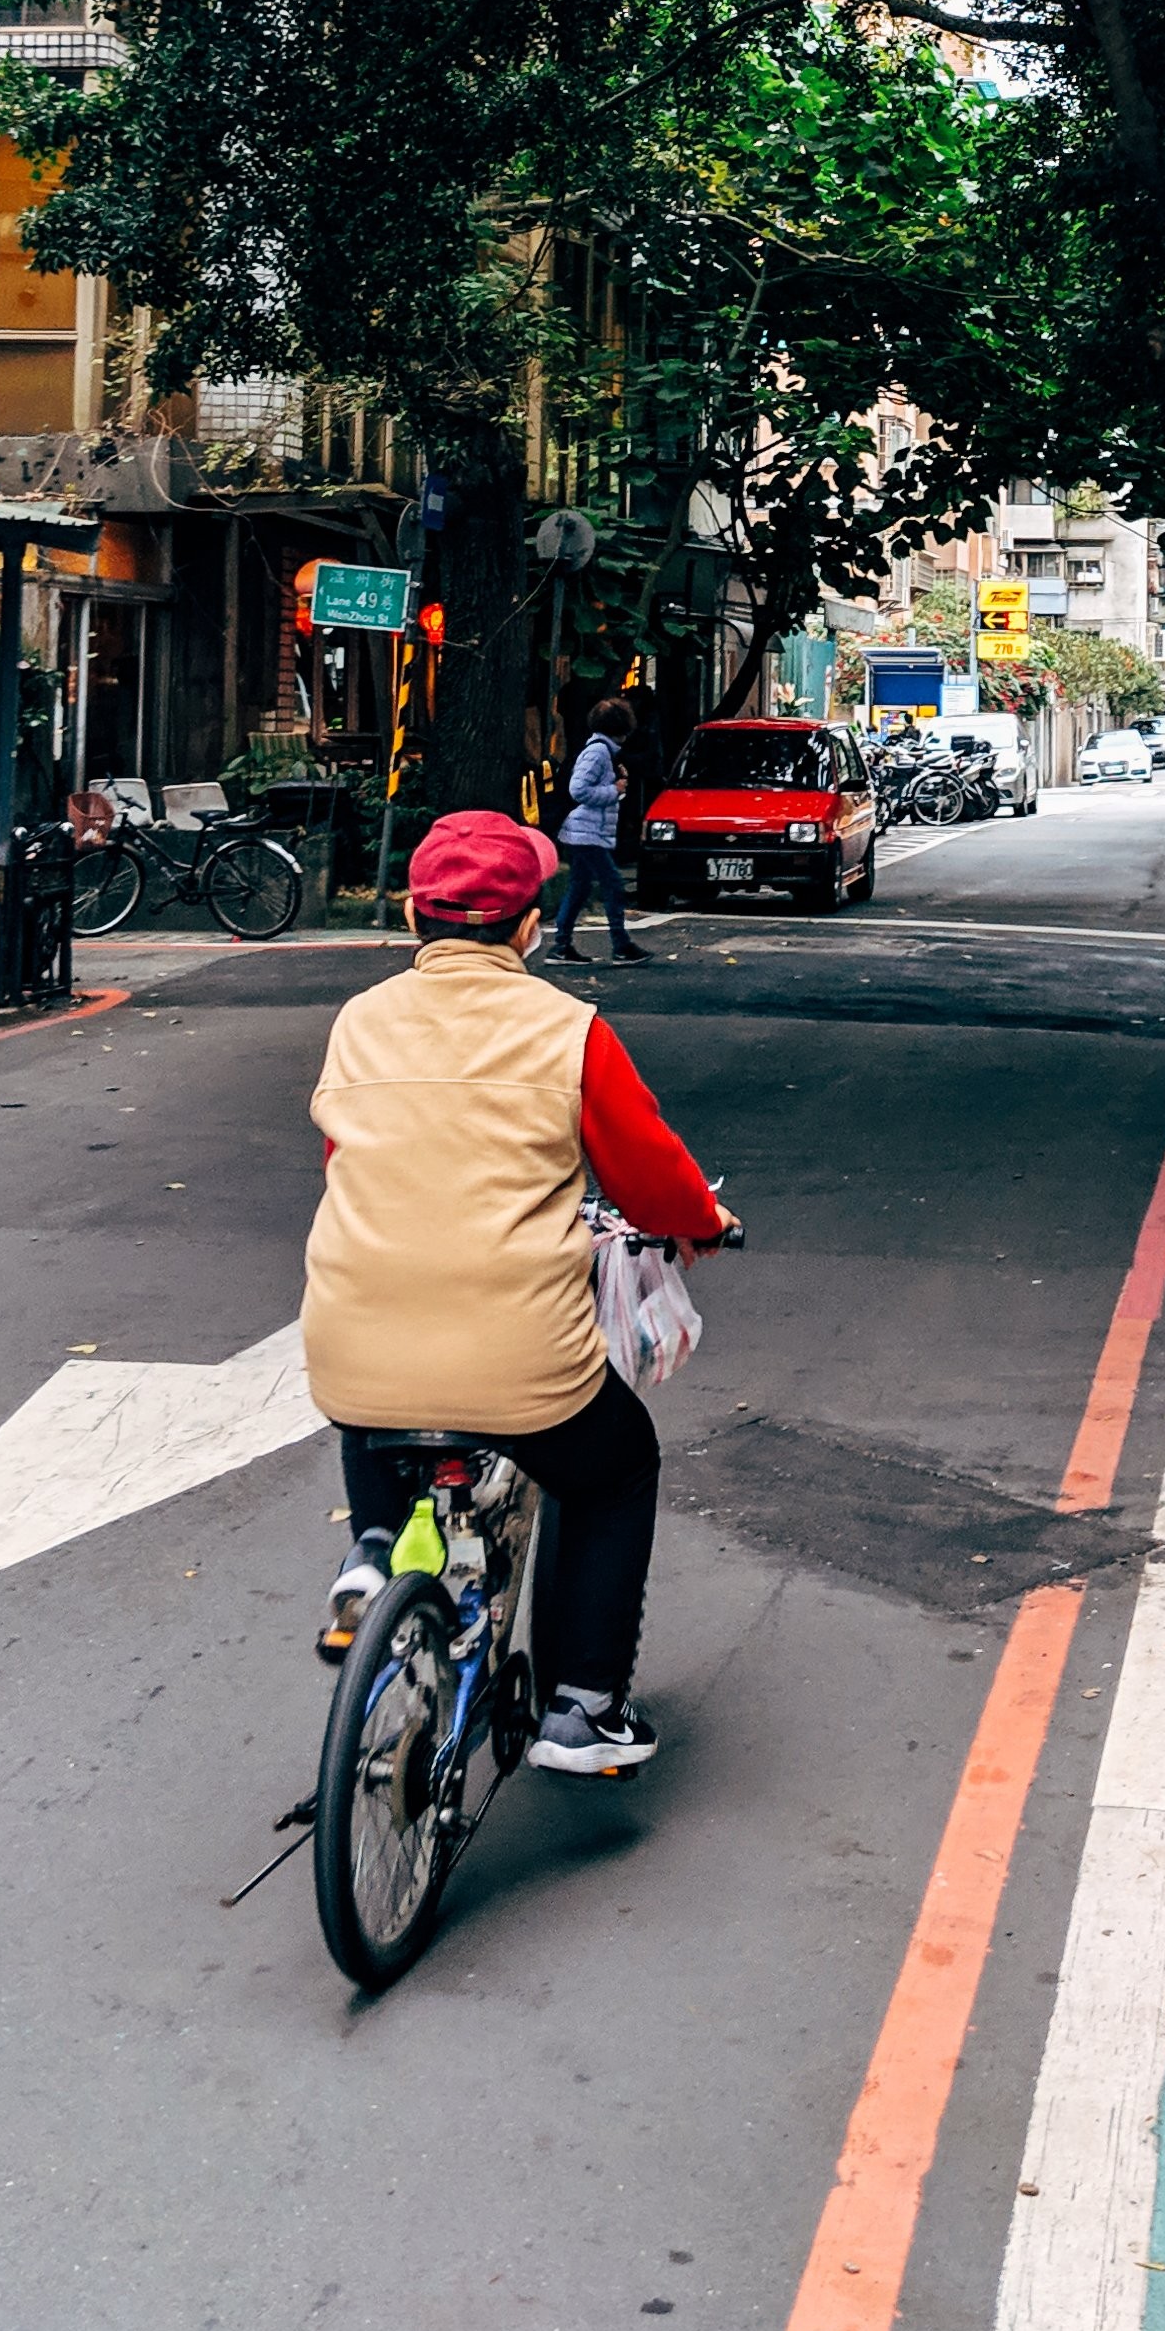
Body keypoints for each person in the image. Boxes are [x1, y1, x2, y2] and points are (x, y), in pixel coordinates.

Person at [302, 805, 733, 1771]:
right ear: (530, 926)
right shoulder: (566, 1030)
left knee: (378, 1382)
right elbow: (649, 1174)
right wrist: (702, 1226)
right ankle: (585, 1707)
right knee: (615, 1468)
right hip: (520, 1358)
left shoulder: (358, 1023)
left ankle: (374, 1550)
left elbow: (345, 1159)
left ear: (415, 918)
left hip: (350, 1338)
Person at [549, 697, 645, 963]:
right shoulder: (599, 752)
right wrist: (612, 791)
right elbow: (578, 789)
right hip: (586, 832)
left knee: (580, 886)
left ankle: (561, 945)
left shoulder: (602, 750)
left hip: (586, 831)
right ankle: (621, 945)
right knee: (613, 884)